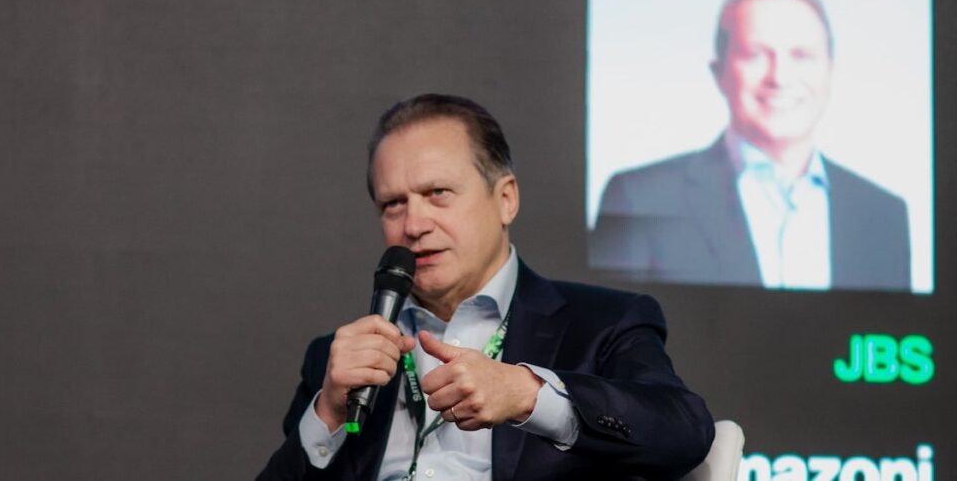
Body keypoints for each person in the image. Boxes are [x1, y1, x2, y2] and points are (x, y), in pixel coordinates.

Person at [257, 94, 714, 480]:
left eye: (438, 193)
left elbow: (684, 432)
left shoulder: (601, 325)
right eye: (393, 204)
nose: (414, 224)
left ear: (506, 200)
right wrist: (329, 413)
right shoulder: (338, 361)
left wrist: (529, 395)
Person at [589, 0, 910, 291]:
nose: (780, 77)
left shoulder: (883, 215)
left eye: (801, 55)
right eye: (756, 55)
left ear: (830, 70)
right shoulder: (638, 198)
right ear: (719, 72)